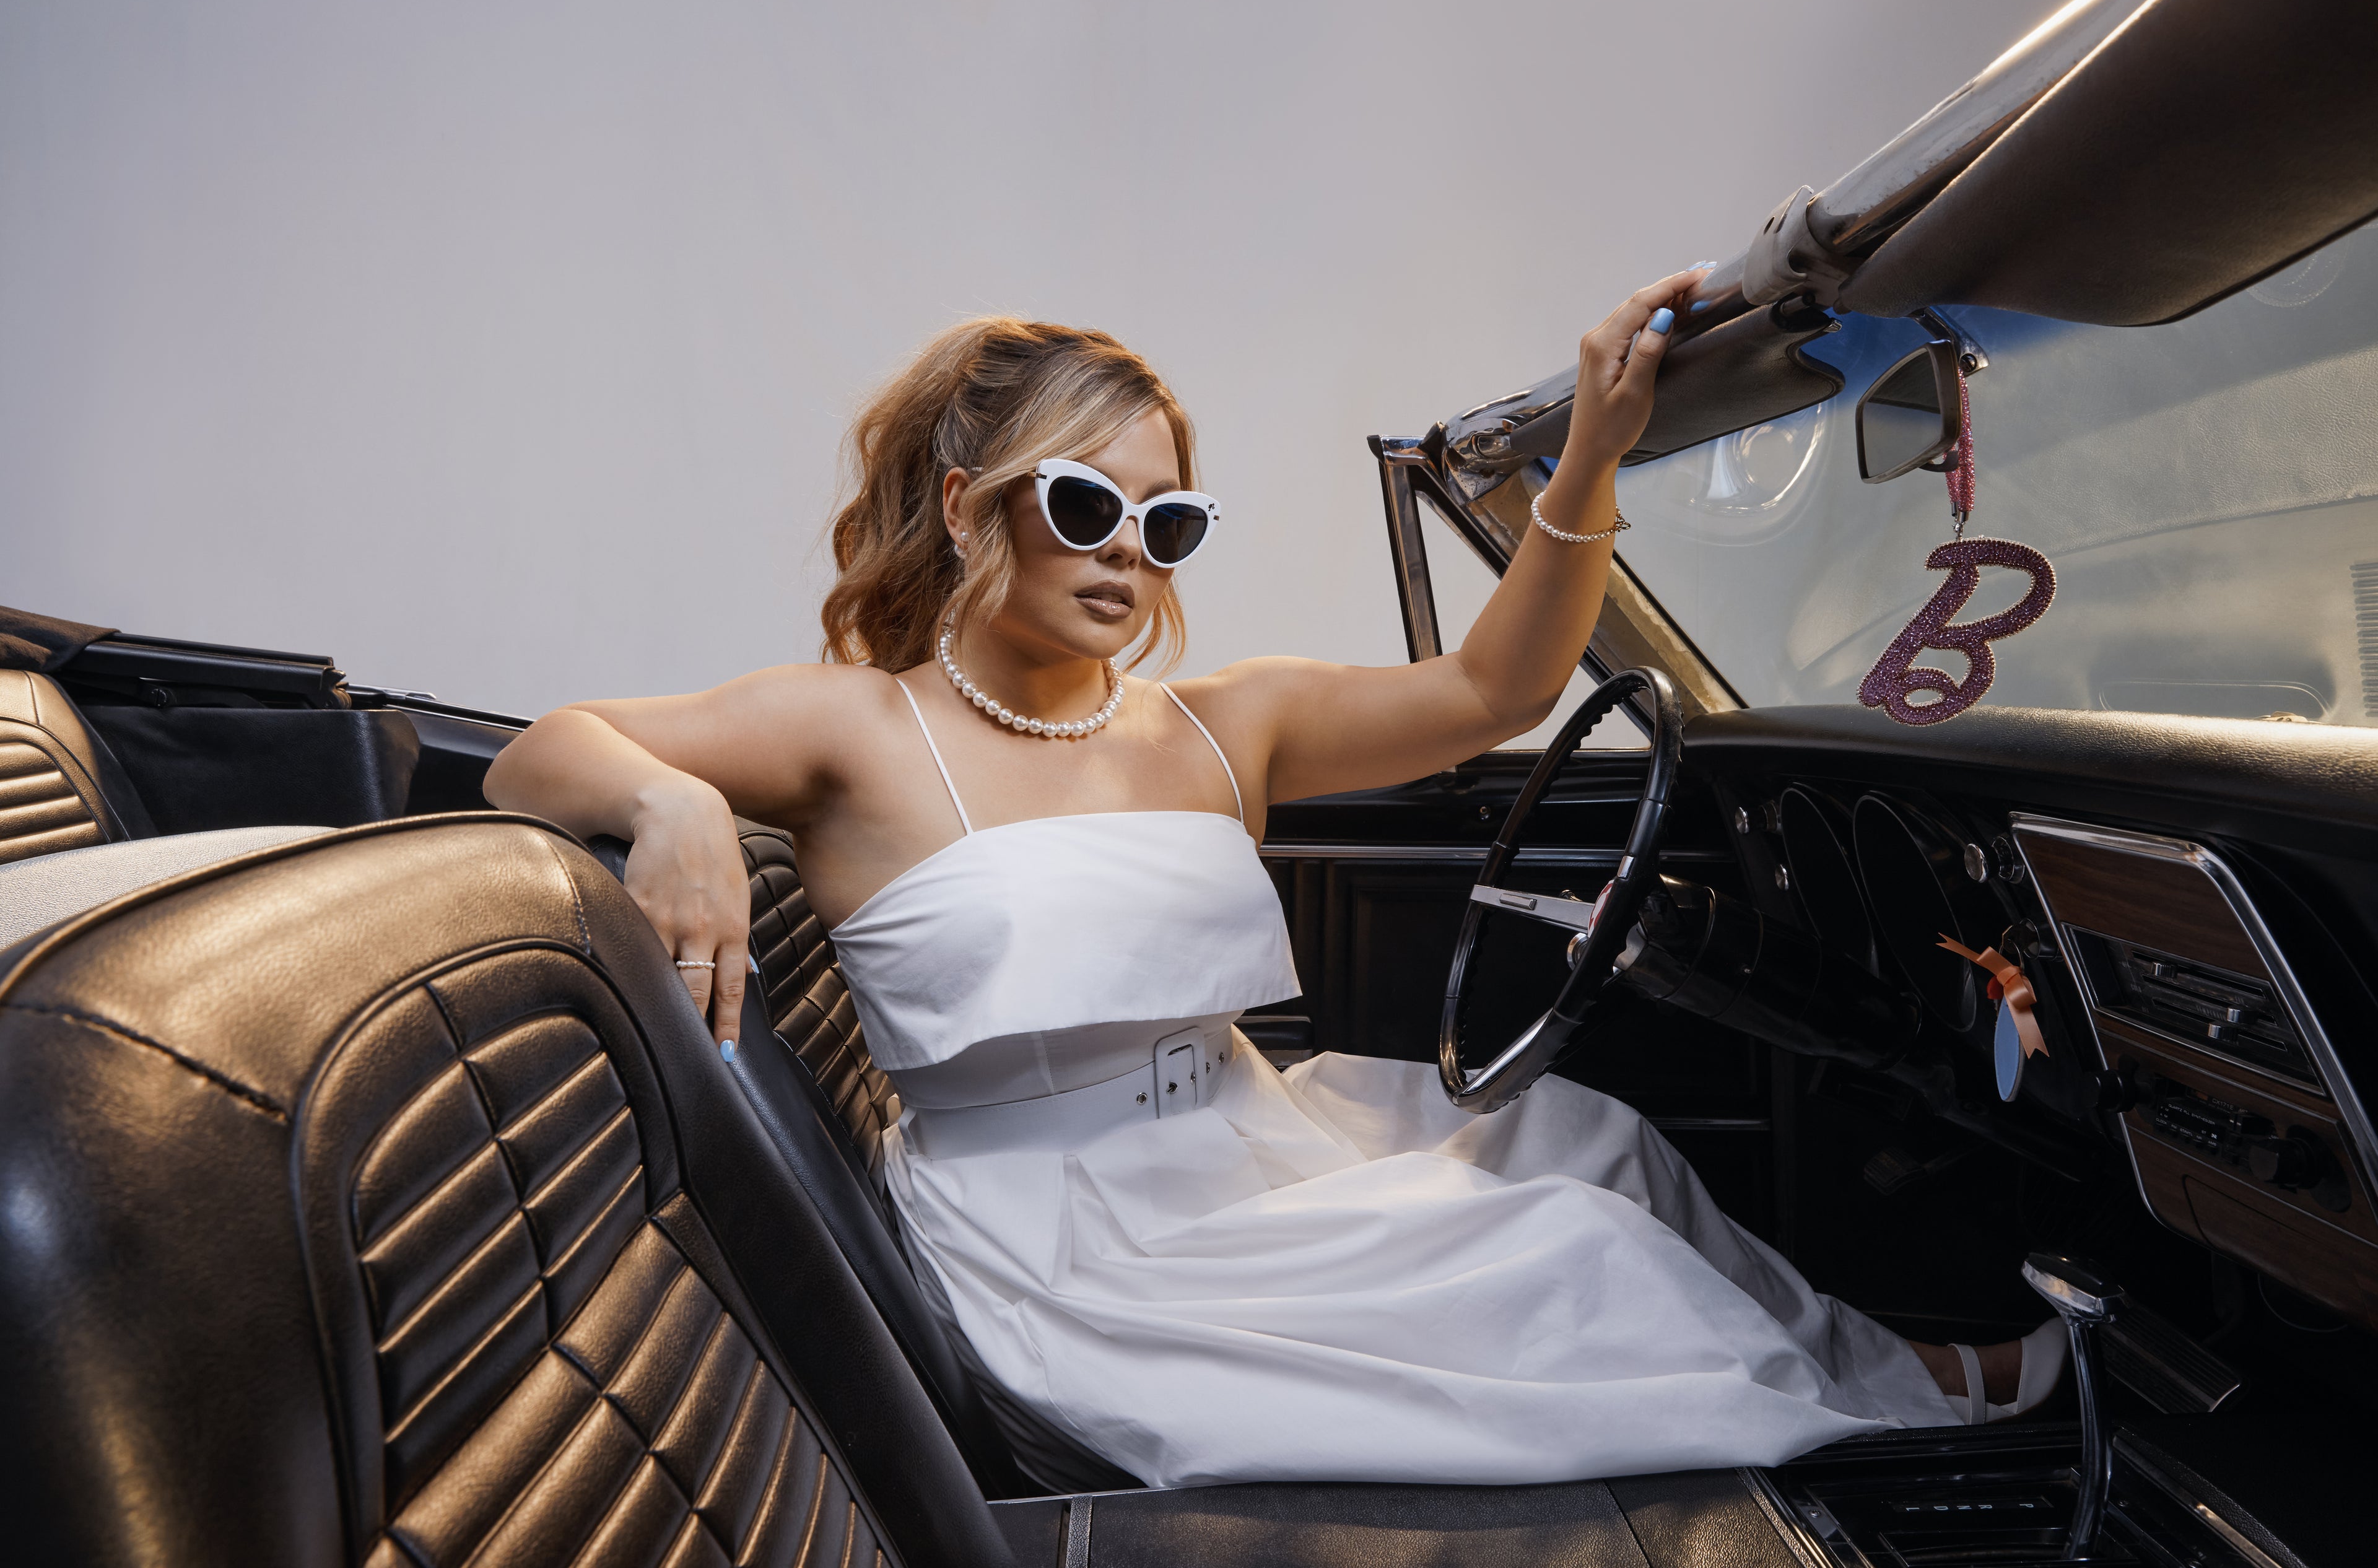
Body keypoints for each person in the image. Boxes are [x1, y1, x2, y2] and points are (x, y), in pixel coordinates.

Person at [484, 277, 2062, 1490]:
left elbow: (1497, 692)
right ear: (973, 507)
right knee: (1564, 1255)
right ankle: (1890, 1437)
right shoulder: (857, 726)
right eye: (1086, 507)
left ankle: (1901, 1391)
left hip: (1249, 1137)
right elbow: (536, 756)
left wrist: (1592, 452)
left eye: (1166, 523)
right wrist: (668, 795)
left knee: (1596, 1141)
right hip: (1070, 1241)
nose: (1130, 558)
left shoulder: (1221, 720)